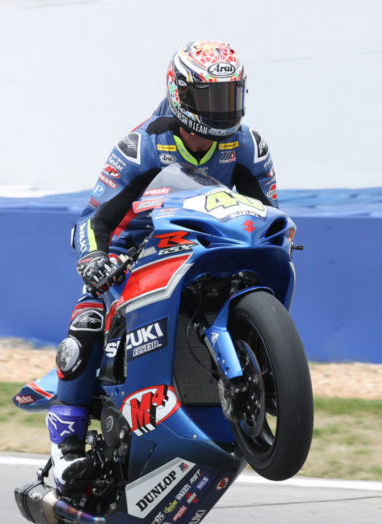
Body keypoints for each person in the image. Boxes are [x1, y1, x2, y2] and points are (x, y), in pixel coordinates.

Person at [46, 39, 279, 493]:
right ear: (181, 94)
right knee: (90, 320)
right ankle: (66, 449)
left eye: (230, 97)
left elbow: (266, 210)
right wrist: (95, 259)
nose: (220, 110)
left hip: (213, 250)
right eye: (210, 98)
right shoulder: (140, 147)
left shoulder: (250, 147)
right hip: (138, 258)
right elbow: (94, 220)